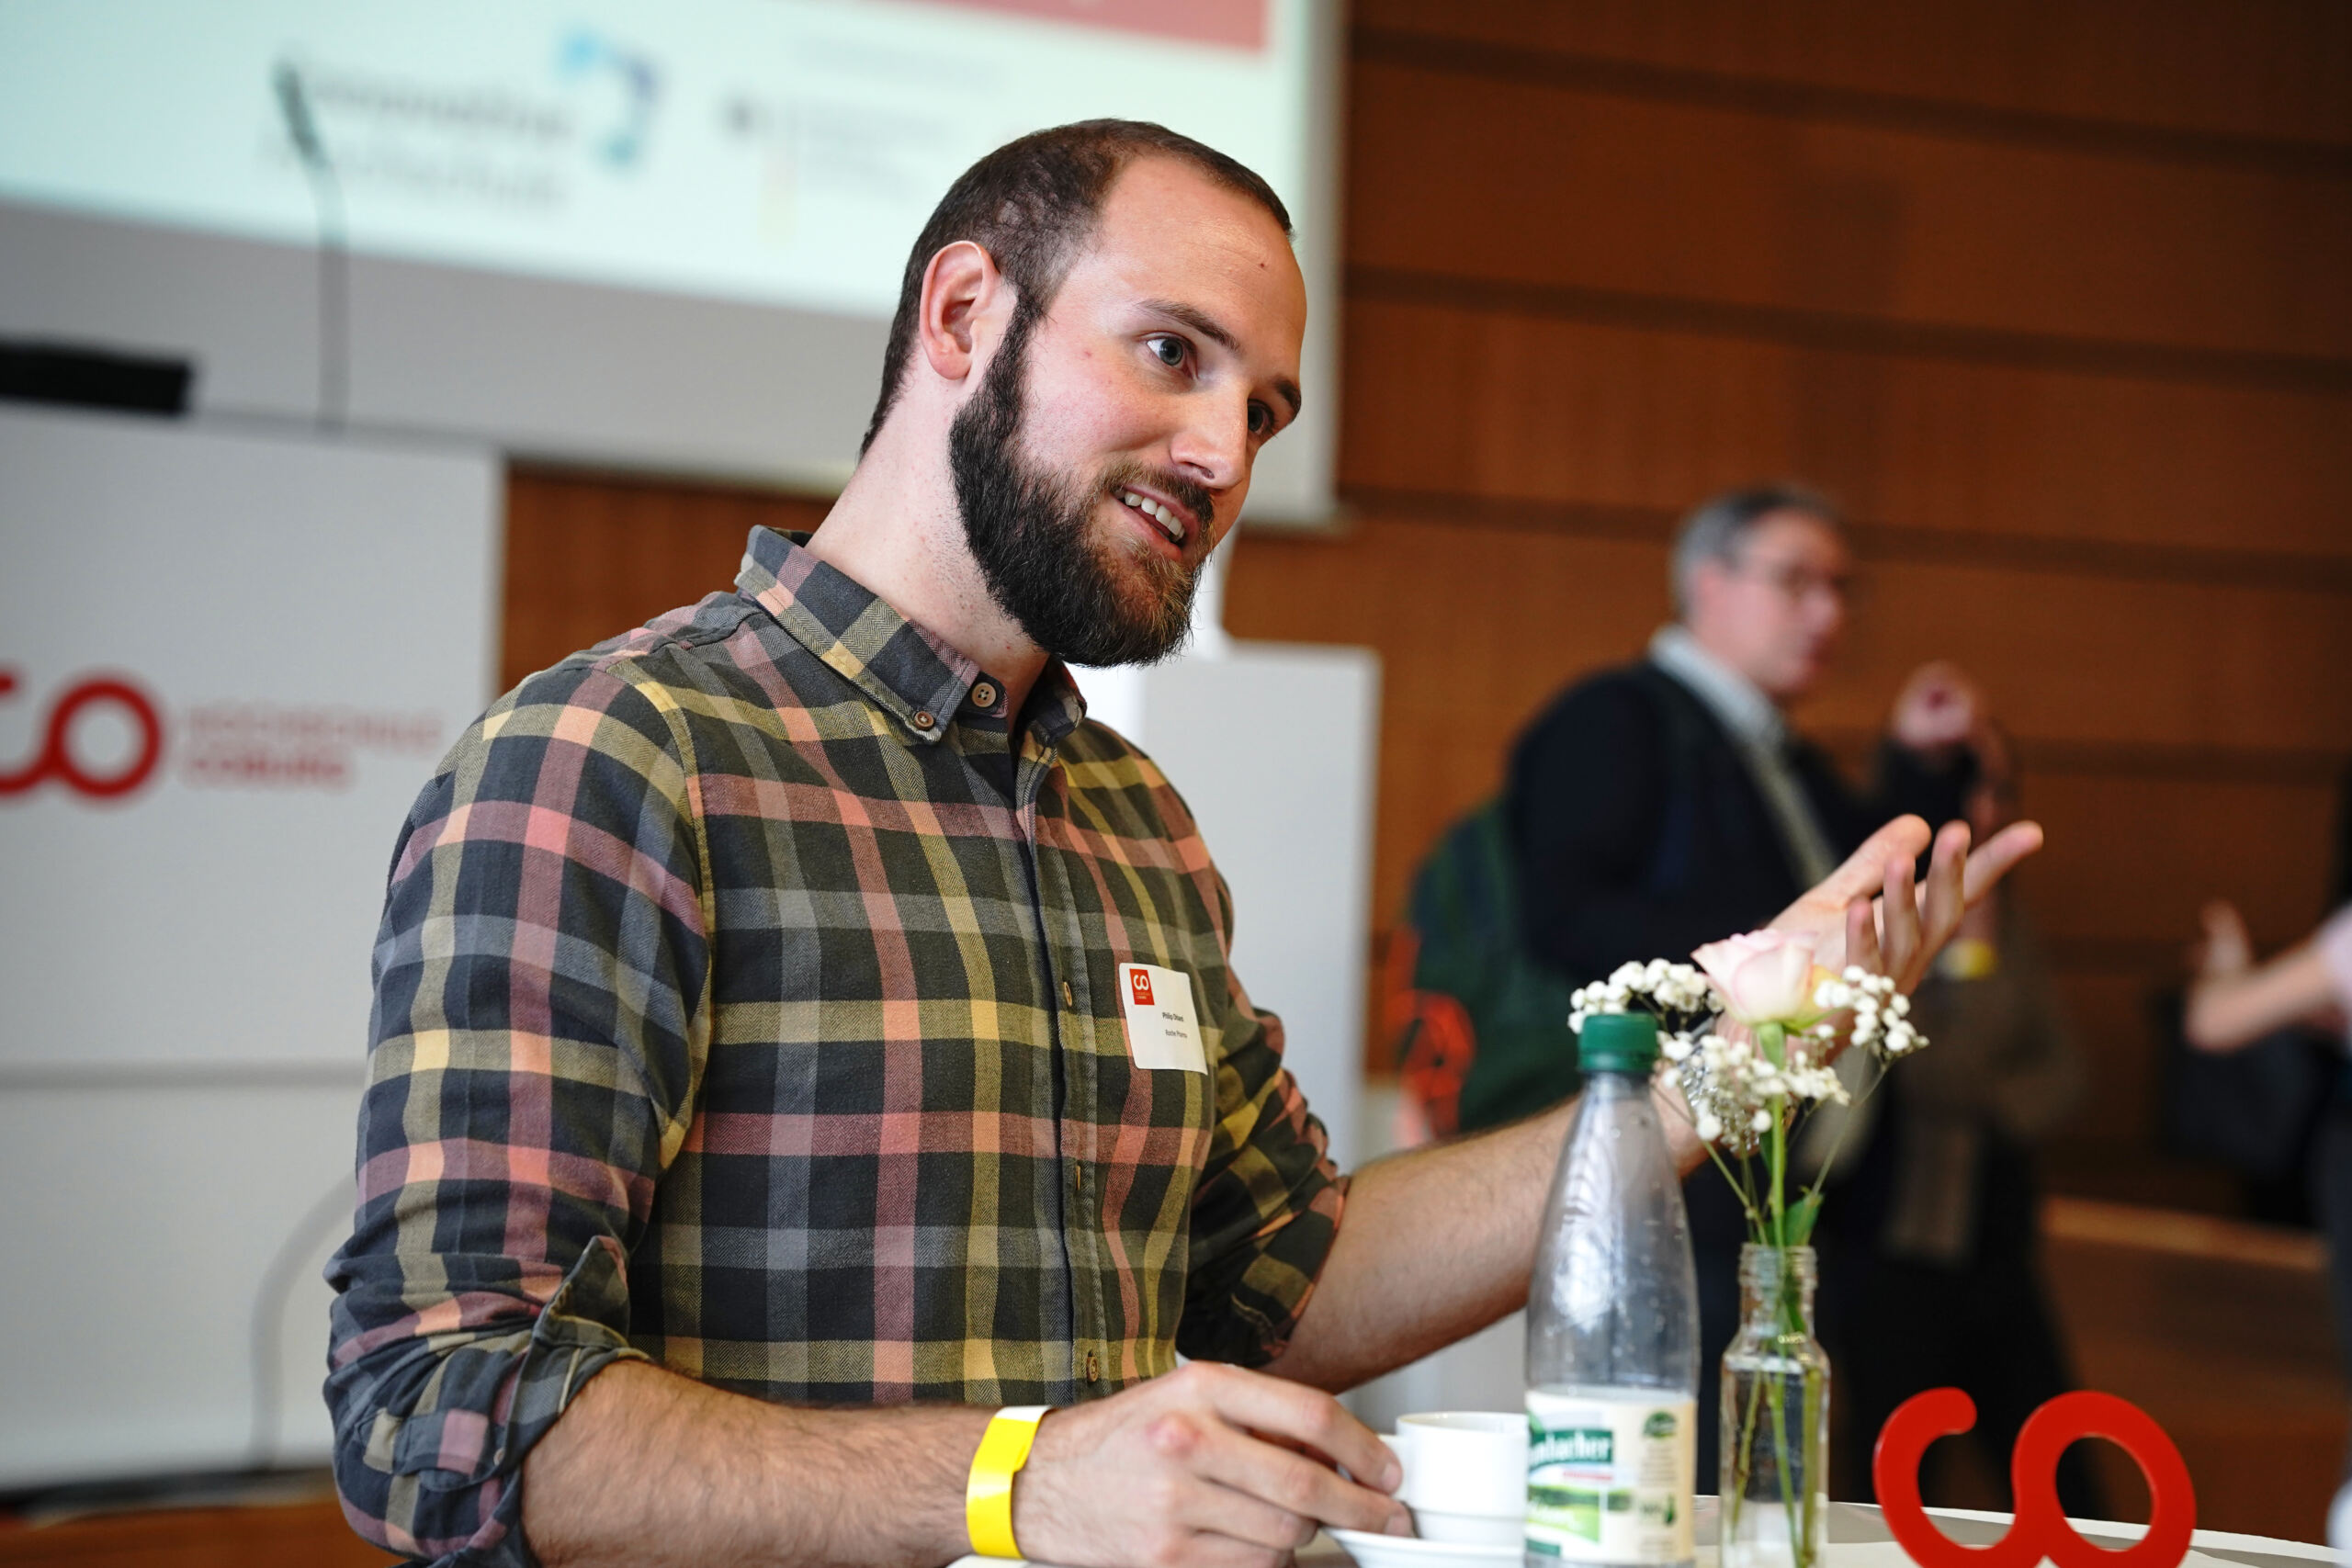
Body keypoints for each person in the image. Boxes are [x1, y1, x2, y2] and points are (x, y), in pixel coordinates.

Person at [325, 122, 2040, 1568]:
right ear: (964, 310)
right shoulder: (622, 757)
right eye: (1171, 353)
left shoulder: (1129, 813)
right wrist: (1016, 1486)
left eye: (1267, 410)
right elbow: (439, 1412)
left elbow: (1287, 1277)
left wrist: (1715, 1067)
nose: (1224, 456)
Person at [1496, 484, 1992, 1487]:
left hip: (1799, 1167)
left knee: (1805, 1458)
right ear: (1707, 583)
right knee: (1700, 1458)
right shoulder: (1617, 718)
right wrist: (1763, 971)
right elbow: (1563, 920)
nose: (1828, 615)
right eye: (1796, 582)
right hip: (1677, 1152)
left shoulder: (1783, 752)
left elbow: (1862, 892)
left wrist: (1922, 768)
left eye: (1840, 589)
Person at [1831, 730, 2099, 1517]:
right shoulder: (1885, 920)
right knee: (1896, 1488)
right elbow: (1924, 1071)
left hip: (1998, 1237)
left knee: (2066, 1480)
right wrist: (1973, 974)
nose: (1986, 809)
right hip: (1896, 1240)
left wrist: (1996, 1099)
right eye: (1969, 788)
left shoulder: (2010, 923)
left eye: (2001, 791)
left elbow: (2069, 1071)